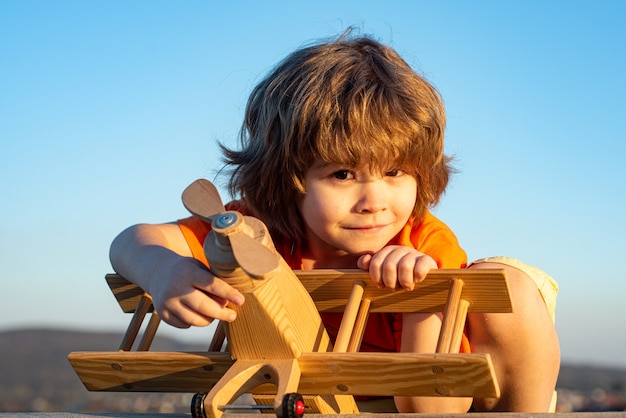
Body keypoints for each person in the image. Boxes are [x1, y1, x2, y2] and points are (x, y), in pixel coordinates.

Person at [109, 31, 560, 413]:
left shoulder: (421, 241)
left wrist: (421, 294)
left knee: (509, 285)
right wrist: (163, 269)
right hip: (316, 397)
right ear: (285, 179)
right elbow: (131, 241)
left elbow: (434, 407)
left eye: (396, 171)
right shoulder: (255, 230)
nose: (374, 201)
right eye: (343, 174)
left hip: (425, 399)